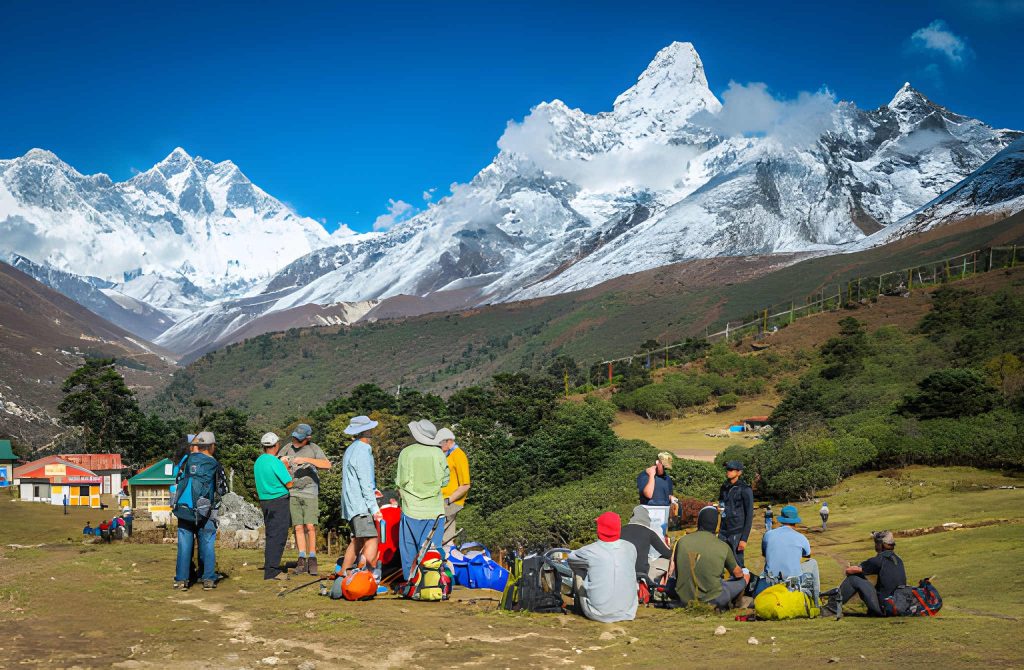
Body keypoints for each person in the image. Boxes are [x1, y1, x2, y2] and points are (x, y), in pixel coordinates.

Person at [395, 420, 449, 581]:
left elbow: (400, 481)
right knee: (433, 549)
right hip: (434, 511)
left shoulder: (407, 452)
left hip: (411, 508)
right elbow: (445, 480)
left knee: (409, 549)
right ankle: (432, 583)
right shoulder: (439, 453)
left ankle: (411, 583)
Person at [174, 431, 227, 592]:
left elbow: (177, 480)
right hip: (206, 511)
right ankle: (208, 579)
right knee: (207, 543)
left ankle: (182, 580)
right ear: (211, 446)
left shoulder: (187, 460)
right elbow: (223, 489)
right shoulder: (215, 464)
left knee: (184, 545)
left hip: (184, 508)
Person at [668, 505, 749, 611]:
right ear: (716, 525)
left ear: (699, 522)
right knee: (745, 577)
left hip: (684, 598)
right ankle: (737, 603)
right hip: (714, 599)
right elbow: (738, 574)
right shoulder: (723, 546)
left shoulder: (682, 541)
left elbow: (675, 572)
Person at [278, 423, 331, 576]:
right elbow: (278, 461)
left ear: (308, 438)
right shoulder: (288, 447)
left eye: (299, 439)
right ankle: (301, 558)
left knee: (310, 526)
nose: (295, 441)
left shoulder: (314, 448)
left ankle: (312, 559)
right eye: (294, 437)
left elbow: (327, 464)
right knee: (298, 527)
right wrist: (284, 463)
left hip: (310, 493)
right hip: (293, 491)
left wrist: (307, 461)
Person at [568, 512, 638, 623]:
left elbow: (571, 560)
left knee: (580, 570)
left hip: (596, 613)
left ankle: (578, 606)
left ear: (600, 529)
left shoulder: (588, 551)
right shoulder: (630, 547)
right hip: (628, 612)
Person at [822, 531, 907, 618]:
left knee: (854, 579)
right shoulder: (898, 560)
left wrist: (849, 569)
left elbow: (850, 571)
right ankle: (871, 611)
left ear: (880, 544)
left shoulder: (879, 560)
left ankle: (831, 608)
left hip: (885, 609)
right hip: (898, 606)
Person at [339, 416, 383, 579]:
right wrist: (374, 508)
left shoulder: (351, 448)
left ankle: (343, 574)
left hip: (351, 503)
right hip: (361, 505)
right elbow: (364, 480)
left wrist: (373, 491)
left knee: (357, 540)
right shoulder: (363, 449)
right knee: (371, 539)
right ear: (366, 431)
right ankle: (369, 578)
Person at [254, 432, 293, 581]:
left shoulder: (259, 461)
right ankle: (272, 570)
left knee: (271, 534)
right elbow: (289, 483)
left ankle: (270, 565)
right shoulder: (275, 462)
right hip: (279, 501)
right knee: (279, 535)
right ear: (276, 445)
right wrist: (287, 467)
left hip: (265, 501)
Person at [760, 505, 819, 597]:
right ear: (795, 521)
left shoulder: (768, 534)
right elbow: (808, 555)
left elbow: (764, 554)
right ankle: (816, 597)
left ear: (782, 520)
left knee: (766, 568)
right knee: (813, 563)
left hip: (770, 579)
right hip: (792, 581)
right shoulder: (801, 537)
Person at [621, 505, 672, 583]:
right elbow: (667, 553)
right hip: (641, 572)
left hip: (622, 569)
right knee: (668, 561)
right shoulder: (649, 532)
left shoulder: (621, 530)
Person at [437, 427, 470, 547]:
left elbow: (465, 484)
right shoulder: (449, 455)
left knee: (443, 537)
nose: (439, 447)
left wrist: (449, 500)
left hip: (450, 501)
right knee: (445, 537)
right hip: (444, 500)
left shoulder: (458, 454)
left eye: (440, 444)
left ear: (448, 441)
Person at [718, 460, 754, 567]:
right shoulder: (724, 487)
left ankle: (741, 583)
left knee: (737, 564)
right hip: (723, 531)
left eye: (731, 469)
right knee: (720, 562)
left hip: (737, 533)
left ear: (739, 472)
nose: (728, 471)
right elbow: (721, 504)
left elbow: (749, 515)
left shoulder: (745, 489)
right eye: (727, 469)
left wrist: (744, 539)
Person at [637, 452, 675, 537]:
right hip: (648, 516)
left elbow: (668, 495)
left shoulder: (667, 478)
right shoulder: (644, 476)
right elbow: (648, 494)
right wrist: (651, 476)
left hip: (664, 517)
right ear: (657, 462)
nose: (665, 471)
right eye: (664, 467)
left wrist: (672, 499)